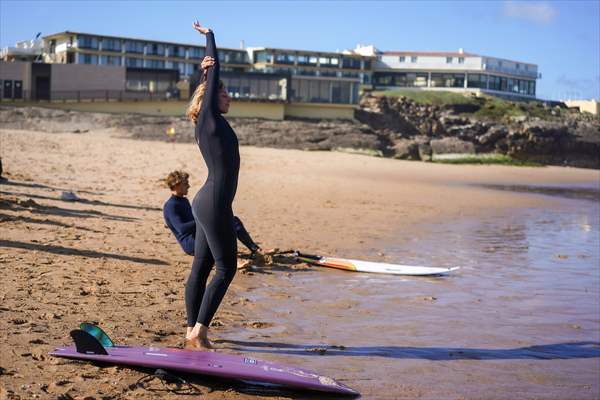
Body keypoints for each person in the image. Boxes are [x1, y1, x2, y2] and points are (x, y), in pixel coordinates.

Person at [183, 21, 241, 349]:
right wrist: (210, 39)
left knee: (202, 267)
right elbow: (212, 76)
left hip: (209, 200)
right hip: (215, 201)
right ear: (209, 96)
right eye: (224, 91)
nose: (229, 96)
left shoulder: (211, 123)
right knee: (226, 268)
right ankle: (200, 331)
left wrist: (205, 74)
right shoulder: (208, 119)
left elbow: (209, 79)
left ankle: (191, 329)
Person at [162, 170, 260, 256]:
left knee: (231, 220)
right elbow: (182, 229)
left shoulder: (183, 201)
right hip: (192, 244)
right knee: (219, 229)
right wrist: (203, 220)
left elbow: (195, 220)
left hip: (199, 236)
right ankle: (233, 261)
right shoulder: (171, 206)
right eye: (185, 183)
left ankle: (254, 248)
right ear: (176, 185)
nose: (188, 186)